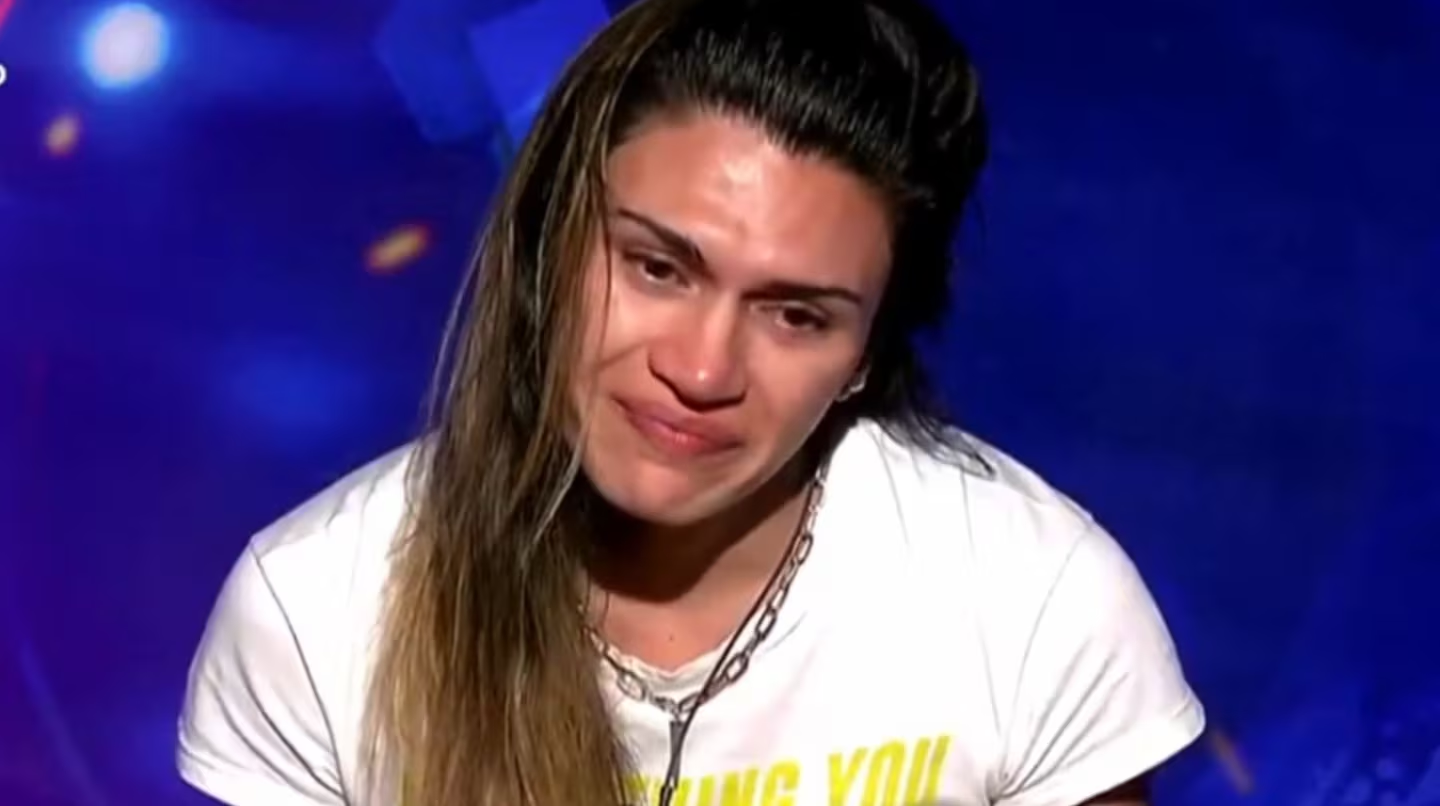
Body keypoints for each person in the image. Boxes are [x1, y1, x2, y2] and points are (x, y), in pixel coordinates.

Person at [176, 0, 1205, 804]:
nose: (703, 370)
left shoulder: (1031, 602)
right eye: (659, 267)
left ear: (866, 352)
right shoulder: (317, 609)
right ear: (548, 245)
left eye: (796, 314)